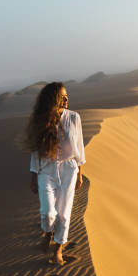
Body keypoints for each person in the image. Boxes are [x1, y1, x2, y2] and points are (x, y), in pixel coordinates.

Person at [22, 82, 86, 265]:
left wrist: (80, 173)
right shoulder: (40, 122)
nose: (66, 99)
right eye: (62, 96)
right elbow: (35, 152)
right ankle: (48, 232)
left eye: (67, 96)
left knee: (64, 214)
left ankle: (58, 249)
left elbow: (79, 148)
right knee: (48, 213)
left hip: (69, 169)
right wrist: (33, 177)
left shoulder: (74, 118)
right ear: (52, 100)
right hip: (46, 170)